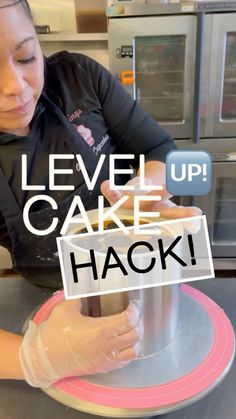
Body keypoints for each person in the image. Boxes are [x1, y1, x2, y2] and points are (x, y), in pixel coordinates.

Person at [0, 0, 201, 388]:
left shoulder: (79, 79)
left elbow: (161, 152)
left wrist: (148, 186)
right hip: (50, 299)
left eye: (26, 57)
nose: (15, 87)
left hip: (139, 273)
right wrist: (35, 357)